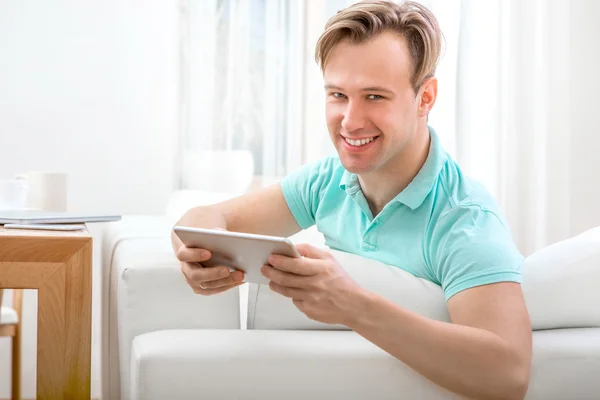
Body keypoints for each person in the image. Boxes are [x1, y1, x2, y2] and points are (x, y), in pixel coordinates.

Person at [172, 1, 532, 398]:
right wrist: (196, 254)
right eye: (338, 94)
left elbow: (508, 374)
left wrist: (351, 305)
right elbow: (205, 217)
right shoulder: (327, 181)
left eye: (375, 96)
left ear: (425, 98)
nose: (350, 120)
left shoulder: (464, 219)